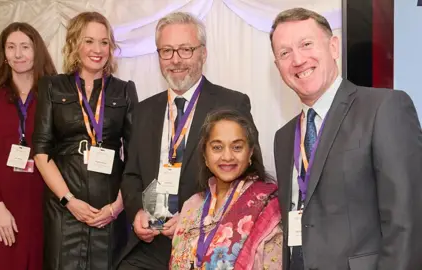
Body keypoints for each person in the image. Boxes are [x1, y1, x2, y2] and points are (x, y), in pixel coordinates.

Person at [271, 8, 422, 270]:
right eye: (284, 53)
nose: (297, 60)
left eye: (306, 44)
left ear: (334, 46)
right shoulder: (283, 138)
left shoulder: (383, 108)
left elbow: (407, 222)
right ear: (278, 66)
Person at [118, 12, 257, 270]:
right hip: (151, 245)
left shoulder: (232, 104)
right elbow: (131, 175)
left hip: (205, 242)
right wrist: (137, 211)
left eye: (185, 50)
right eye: (167, 51)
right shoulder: (143, 111)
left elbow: (246, 177)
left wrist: (193, 218)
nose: (175, 60)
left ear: (203, 53)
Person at [33, 11, 138, 270]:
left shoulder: (124, 90)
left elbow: (136, 157)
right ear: (74, 43)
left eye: (104, 42)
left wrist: (117, 207)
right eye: (89, 40)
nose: (97, 49)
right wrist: (69, 201)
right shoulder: (52, 86)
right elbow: (41, 151)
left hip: (109, 210)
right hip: (64, 210)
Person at [0, 22, 57, 270]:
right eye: (11, 47)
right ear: (4, 53)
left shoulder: (53, 97)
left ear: (37, 51)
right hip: (3, 206)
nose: (18, 54)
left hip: (43, 205)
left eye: (25, 47)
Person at [170, 109, 282, 270]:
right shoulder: (192, 206)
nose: (227, 156)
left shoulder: (268, 204)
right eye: (217, 148)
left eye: (237, 147)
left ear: (250, 153)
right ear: (205, 155)